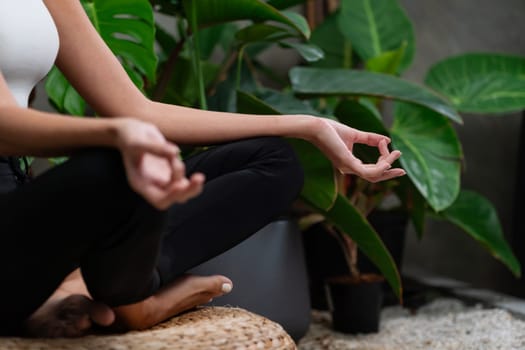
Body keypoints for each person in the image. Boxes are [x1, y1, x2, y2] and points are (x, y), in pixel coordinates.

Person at [0, 0, 406, 338]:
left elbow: (137, 110)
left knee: (275, 160)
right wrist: (119, 135)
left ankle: (80, 285)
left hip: (21, 207)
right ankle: (131, 304)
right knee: (118, 167)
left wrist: (308, 126)